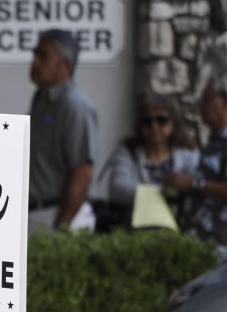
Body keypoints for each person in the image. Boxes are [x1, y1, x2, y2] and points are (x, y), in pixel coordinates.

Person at [27, 29, 99, 232]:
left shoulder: (74, 105)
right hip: (38, 214)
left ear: (65, 65)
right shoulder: (42, 99)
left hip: (62, 214)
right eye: (35, 54)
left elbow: (82, 172)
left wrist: (62, 227)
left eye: (43, 56)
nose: (34, 62)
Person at [105, 93, 199, 220]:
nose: (154, 126)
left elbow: (195, 190)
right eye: (147, 121)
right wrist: (164, 191)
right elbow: (117, 190)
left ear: (173, 124)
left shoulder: (188, 154)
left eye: (162, 120)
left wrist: (143, 194)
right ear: (140, 126)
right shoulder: (127, 151)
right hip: (133, 227)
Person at [163, 71, 227, 246]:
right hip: (201, 242)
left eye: (207, 100)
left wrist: (193, 184)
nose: (201, 106)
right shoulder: (214, 141)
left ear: (225, 103)